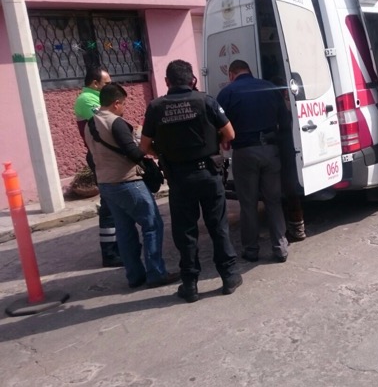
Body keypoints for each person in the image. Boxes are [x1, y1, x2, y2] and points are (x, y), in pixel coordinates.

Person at [139, 60, 241, 303]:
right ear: (192, 79)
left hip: (179, 178)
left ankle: (190, 285)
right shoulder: (206, 101)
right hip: (208, 174)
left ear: (167, 81)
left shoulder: (156, 107)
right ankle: (229, 277)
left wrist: (163, 153)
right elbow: (230, 133)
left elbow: (144, 146)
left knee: (185, 232)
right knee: (218, 227)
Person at [85, 83, 178, 289]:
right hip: (127, 182)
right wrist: (143, 144)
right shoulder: (116, 123)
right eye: (123, 104)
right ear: (116, 103)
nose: (124, 108)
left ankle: (134, 276)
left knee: (124, 230)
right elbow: (134, 154)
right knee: (152, 225)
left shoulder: (90, 124)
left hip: (106, 183)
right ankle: (156, 273)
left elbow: (91, 156)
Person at [216, 60, 290, 263]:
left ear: (231, 74)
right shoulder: (269, 87)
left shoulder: (227, 93)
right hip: (271, 149)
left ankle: (251, 249)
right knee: (273, 201)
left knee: (248, 203)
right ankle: (280, 247)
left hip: (244, 152)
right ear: (249, 71)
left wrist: (224, 141)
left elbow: (218, 125)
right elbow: (285, 121)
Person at [73, 66, 122, 268]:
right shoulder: (87, 99)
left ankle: (119, 246)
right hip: (100, 156)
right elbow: (107, 121)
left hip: (108, 156)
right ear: (95, 84)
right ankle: (109, 253)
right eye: (107, 83)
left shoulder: (97, 99)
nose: (111, 86)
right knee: (109, 202)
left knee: (117, 201)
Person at [270, 76, 306, 242]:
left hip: (284, 150)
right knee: (289, 191)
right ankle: (297, 227)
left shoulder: (281, 105)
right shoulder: (288, 104)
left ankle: (296, 228)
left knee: (287, 191)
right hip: (288, 150)